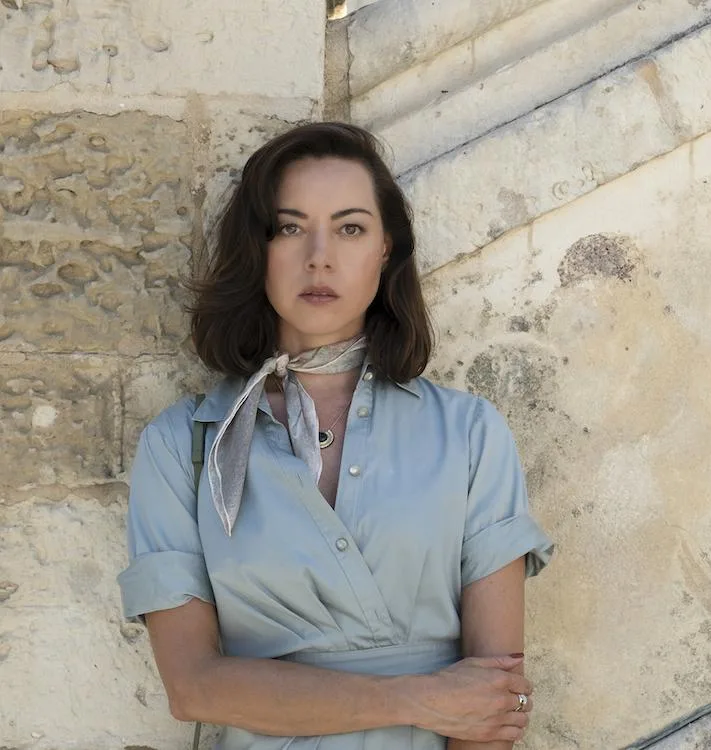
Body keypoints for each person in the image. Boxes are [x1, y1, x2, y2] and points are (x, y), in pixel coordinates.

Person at [117, 122, 553, 750]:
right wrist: (415, 698)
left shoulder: (468, 434)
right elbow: (193, 687)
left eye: (350, 228)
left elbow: (496, 699)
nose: (318, 255)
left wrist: (452, 706)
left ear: (385, 250)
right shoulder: (182, 445)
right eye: (289, 227)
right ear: (256, 249)